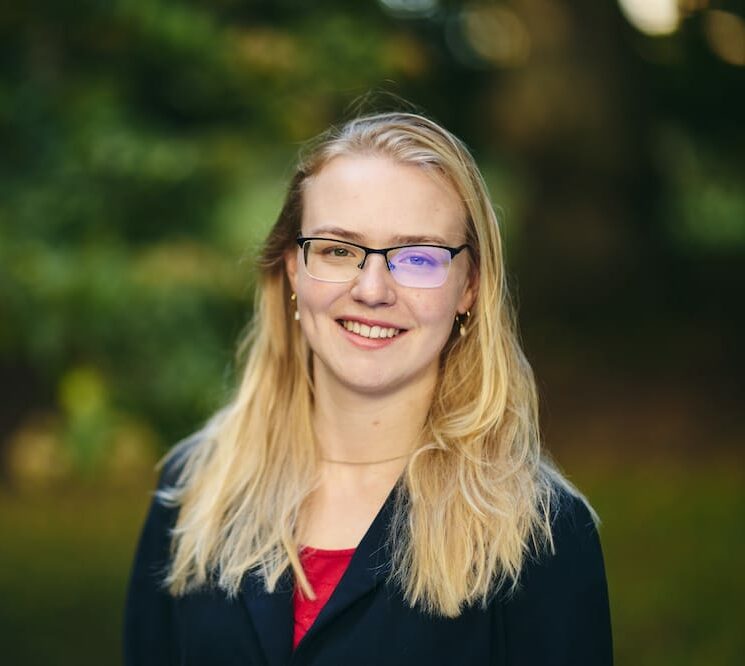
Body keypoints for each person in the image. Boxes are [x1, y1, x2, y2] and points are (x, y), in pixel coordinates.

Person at [124, 111, 613, 665]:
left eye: (418, 257)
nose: (373, 289)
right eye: (337, 250)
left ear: (469, 286)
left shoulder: (540, 533)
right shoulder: (193, 488)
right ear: (293, 268)